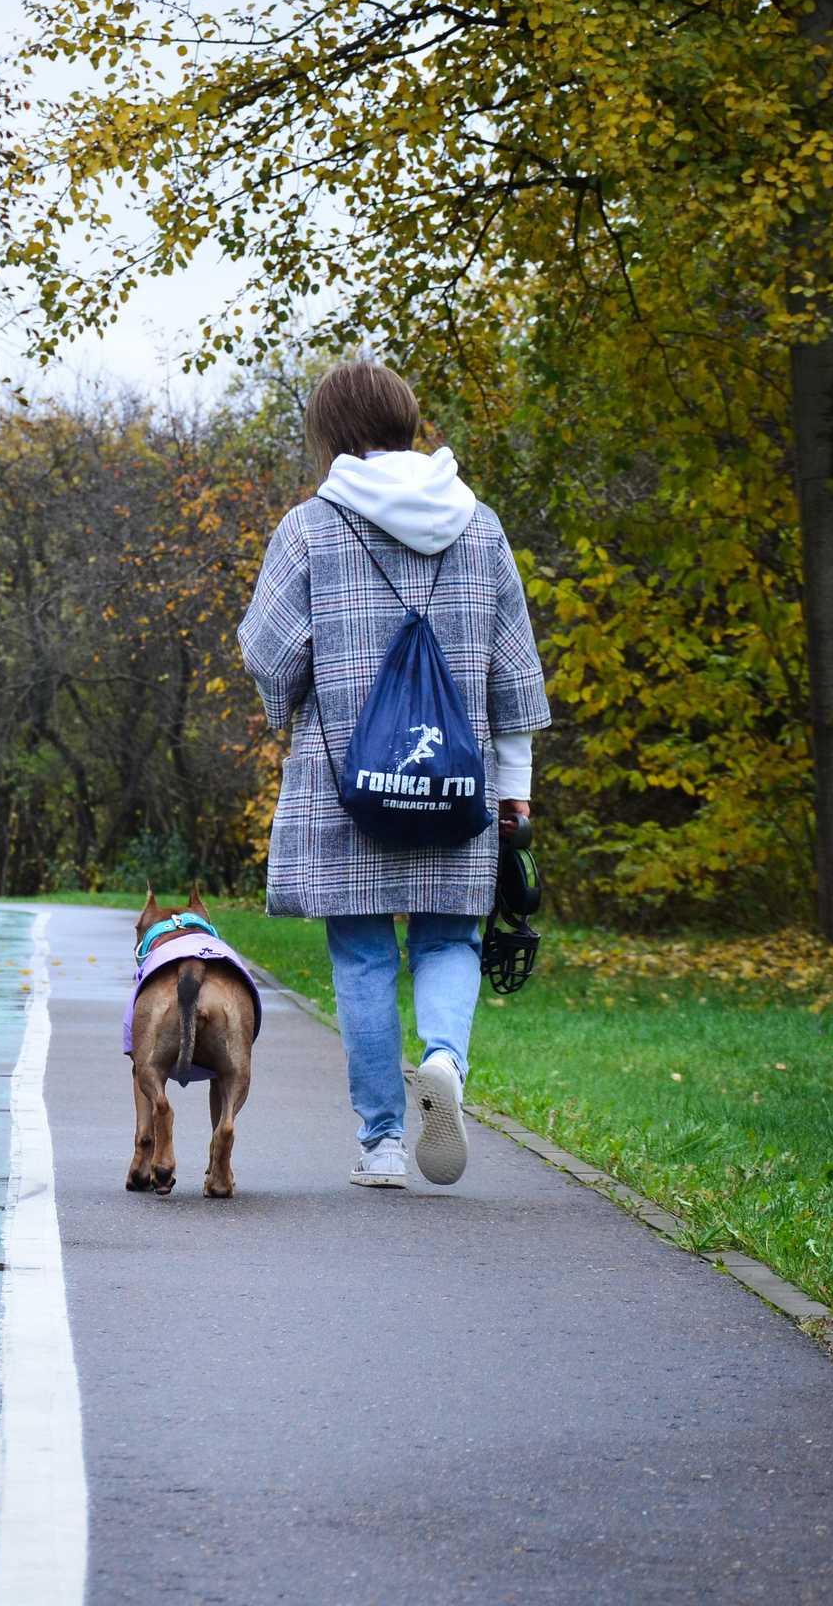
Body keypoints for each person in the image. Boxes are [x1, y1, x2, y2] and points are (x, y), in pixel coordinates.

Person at [237, 359, 549, 1188]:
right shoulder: (480, 526)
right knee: (450, 936)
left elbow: (270, 655)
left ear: (330, 436)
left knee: (364, 956)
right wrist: (514, 791)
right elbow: (516, 676)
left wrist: (291, 701)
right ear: (408, 423)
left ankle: (380, 1142)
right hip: (458, 781)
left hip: (348, 785)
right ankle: (444, 1060)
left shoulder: (309, 528)